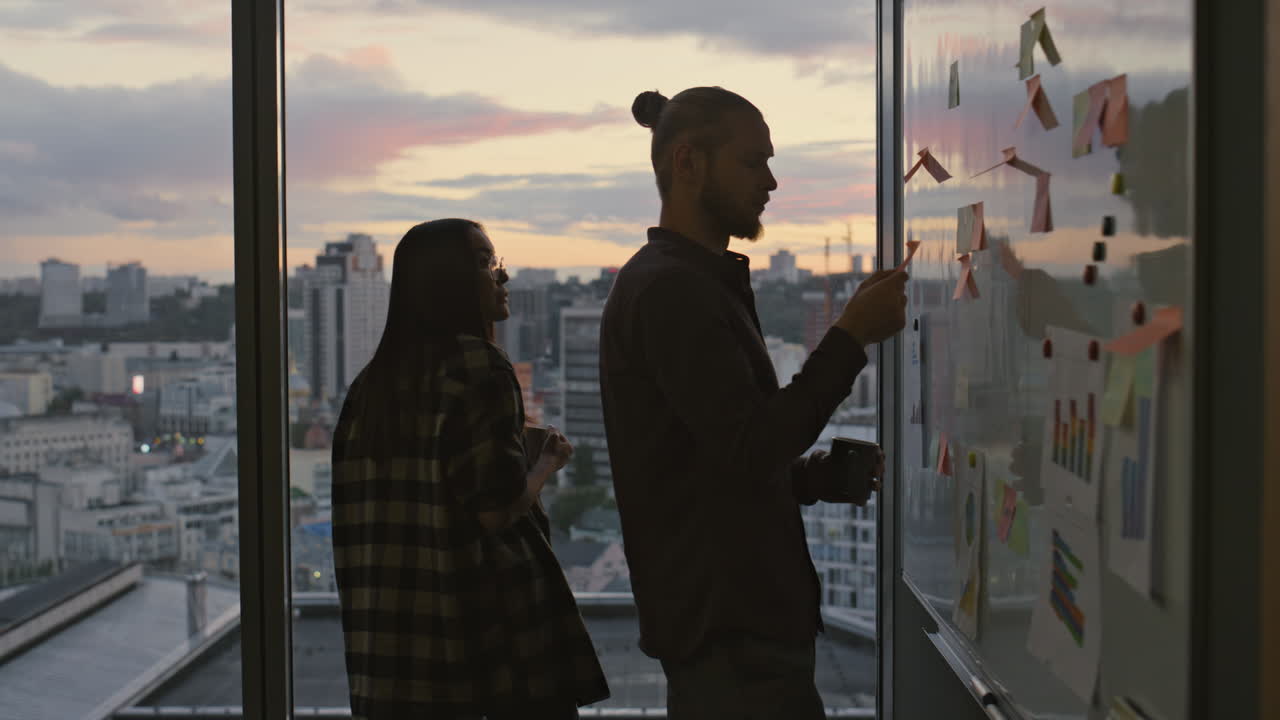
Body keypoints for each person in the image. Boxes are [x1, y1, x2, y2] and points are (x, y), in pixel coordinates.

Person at [599, 88, 909, 719]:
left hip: (732, 627)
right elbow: (747, 445)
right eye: (753, 162)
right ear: (687, 162)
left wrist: (803, 479)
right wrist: (850, 337)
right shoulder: (672, 292)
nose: (771, 181)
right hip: (732, 631)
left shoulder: (692, 282)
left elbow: (712, 458)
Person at [331, 219, 610, 720]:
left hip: (395, 650)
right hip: (492, 646)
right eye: (485, 263)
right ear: (448, 283)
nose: (502, 276)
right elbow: (496, 511)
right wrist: (546, 463)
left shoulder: (369, 386)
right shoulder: (479, 365)